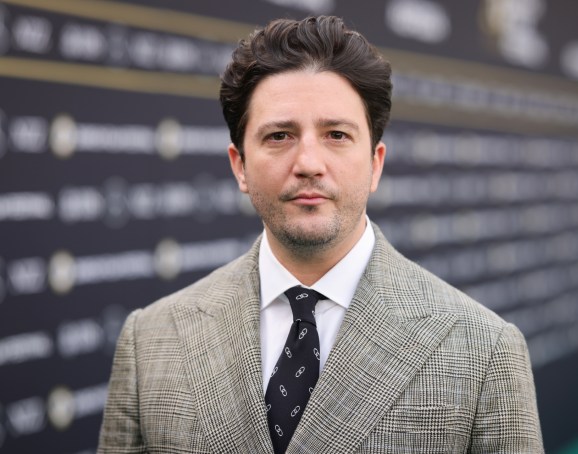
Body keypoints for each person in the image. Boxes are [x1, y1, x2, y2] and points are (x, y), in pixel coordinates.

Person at [97, 16, 543, 454]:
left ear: (375, 163)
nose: (309, 162)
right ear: (240, 165)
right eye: (279, 135)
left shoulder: (484, 351)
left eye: (336, 134)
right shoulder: (150, 340)